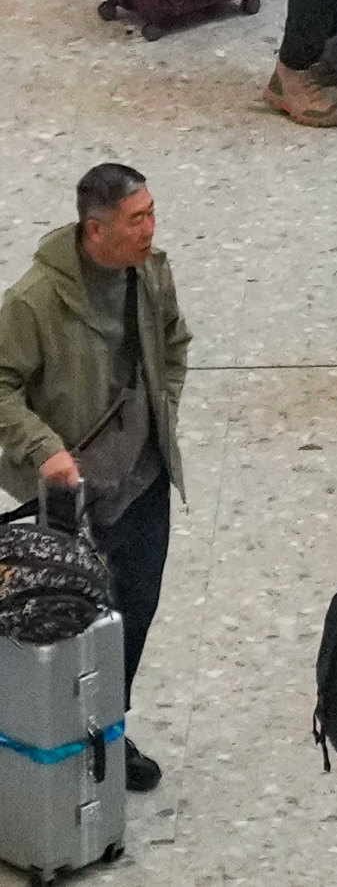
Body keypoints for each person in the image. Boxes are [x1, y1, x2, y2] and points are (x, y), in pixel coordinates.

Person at [0, 165, 181, 789]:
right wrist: (44, 448)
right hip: (73, 504)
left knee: (133, 612)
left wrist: (164, 409)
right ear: (94, 230)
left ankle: (107, 727)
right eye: (137, 219)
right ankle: (56, 738)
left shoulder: (152, 272)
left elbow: (175, 342)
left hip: (145, 482)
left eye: (152, 212)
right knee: (70, 621)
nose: (151, 229)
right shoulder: (34, 301)